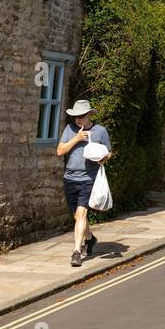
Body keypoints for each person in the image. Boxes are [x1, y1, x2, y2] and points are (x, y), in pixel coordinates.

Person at [56, 100, 113, 267]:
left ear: (90, 115)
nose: (77, 119)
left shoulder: (100, 131)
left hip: (89, 179)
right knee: (77, 217)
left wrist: (104, 158)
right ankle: (90, 238)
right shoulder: (70, 129)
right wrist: (77, 138)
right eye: (75, 116)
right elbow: (60, 151)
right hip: (70, 178)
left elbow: (109, 152)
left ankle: (76, 252)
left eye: (81, 116)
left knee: (81, 214)